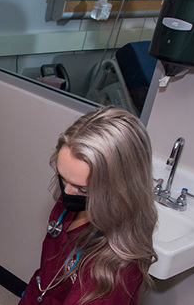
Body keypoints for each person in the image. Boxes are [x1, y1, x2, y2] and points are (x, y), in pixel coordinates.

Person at [19, 106, 157, 305]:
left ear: (120, 188)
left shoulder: (113, 271)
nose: (66, 193)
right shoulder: (73, 201)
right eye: (62, 178)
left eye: (82, 189)